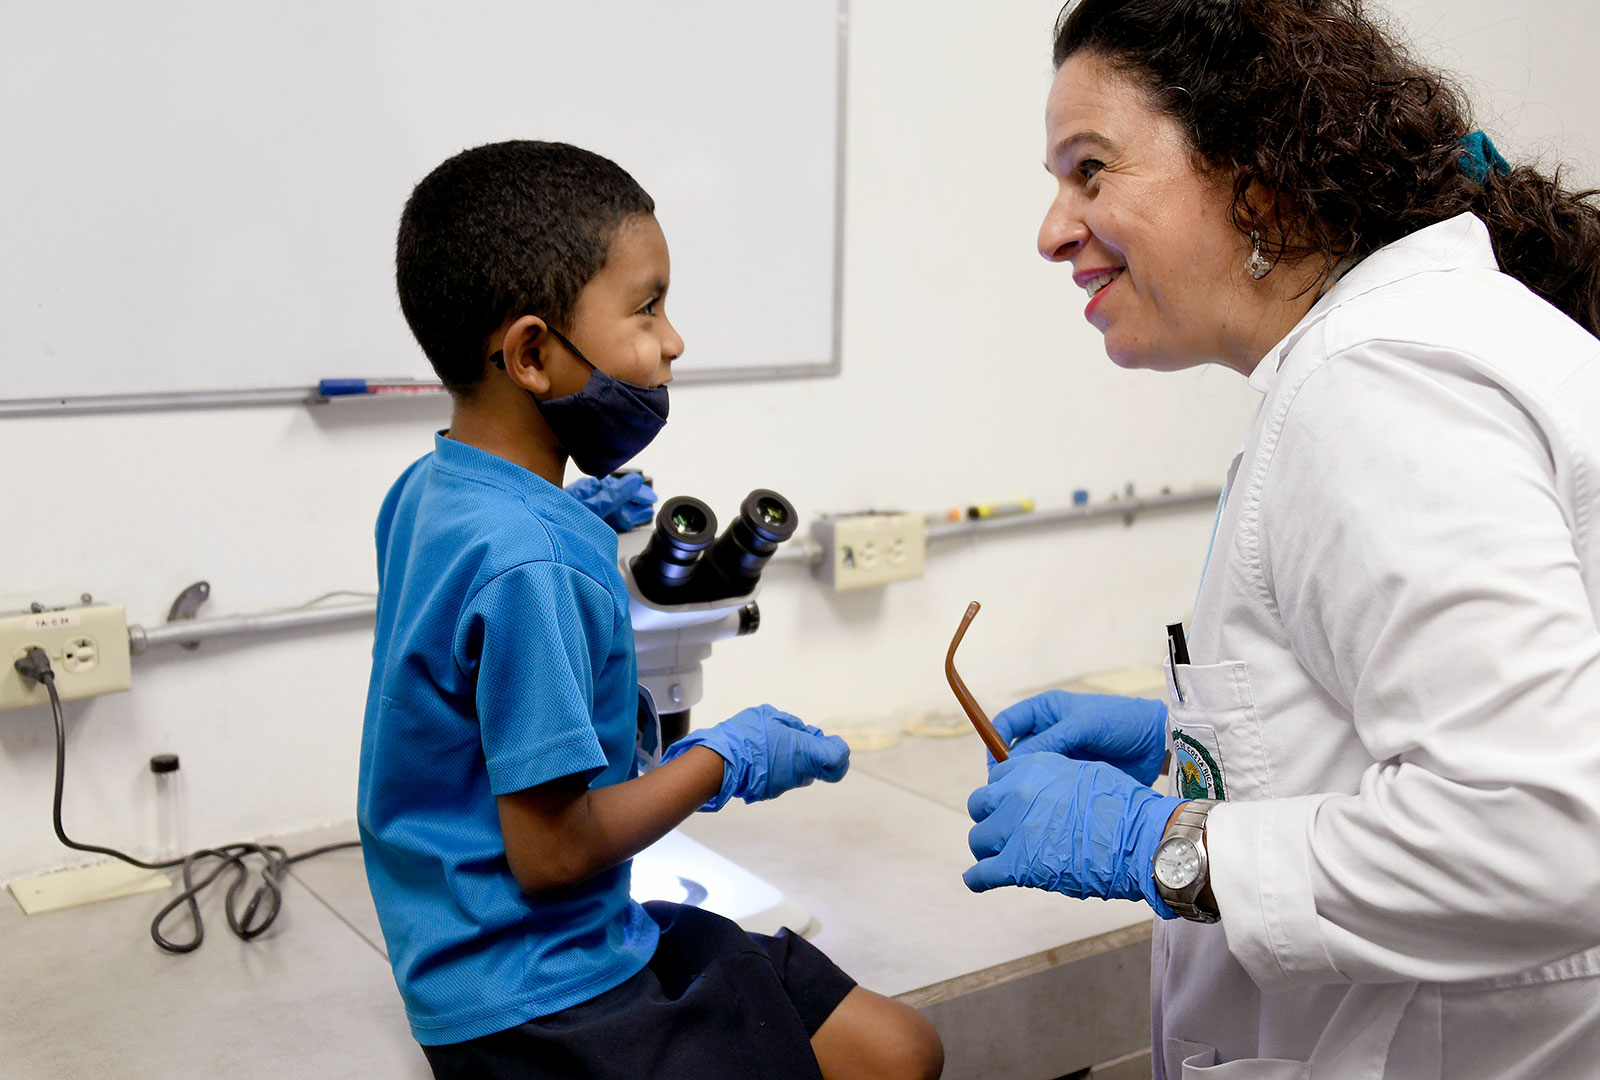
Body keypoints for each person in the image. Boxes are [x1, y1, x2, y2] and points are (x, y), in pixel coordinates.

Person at [961, 1, 1600, 1076]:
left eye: (1090, 169)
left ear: (1254, 175)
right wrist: (1195, 748)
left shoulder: (1375, 387)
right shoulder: (1409, 346)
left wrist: (1157, 848)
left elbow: (1539, 835)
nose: (1052, 229)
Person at [359, 140, 943, 1080]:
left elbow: (465, 635)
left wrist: (565, 523)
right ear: (534, 353)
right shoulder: (530, 564)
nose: (673, 341)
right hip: (534, 994)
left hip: (552, 937)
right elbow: (552, 853)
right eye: (648, 307)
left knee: (904, 1049)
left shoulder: (432, 489)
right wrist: (720, 760)